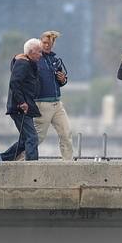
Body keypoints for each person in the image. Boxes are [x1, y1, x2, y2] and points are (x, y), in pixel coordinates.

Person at [35, 30, 74, 160]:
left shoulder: (55, 60)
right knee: (37, 138)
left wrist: (63, 79)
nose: (47, 45)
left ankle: (68, 164)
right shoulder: (34, 58)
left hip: (57, 103)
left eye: (50, 43)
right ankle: (15, 160)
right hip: (42, 104)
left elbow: (62, 81)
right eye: (45, 42)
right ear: (40, 42)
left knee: (66, 133)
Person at [4, 39, 43, 162]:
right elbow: (14, 83)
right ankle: (32, 166)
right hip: (20, 108)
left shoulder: (27, 63)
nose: (41, 55)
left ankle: (0, 159)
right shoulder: (23, 63)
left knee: (24, 140)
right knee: (32, 137)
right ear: (31, 52)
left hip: (24, 107)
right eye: (39, 52)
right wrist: (22, 102)